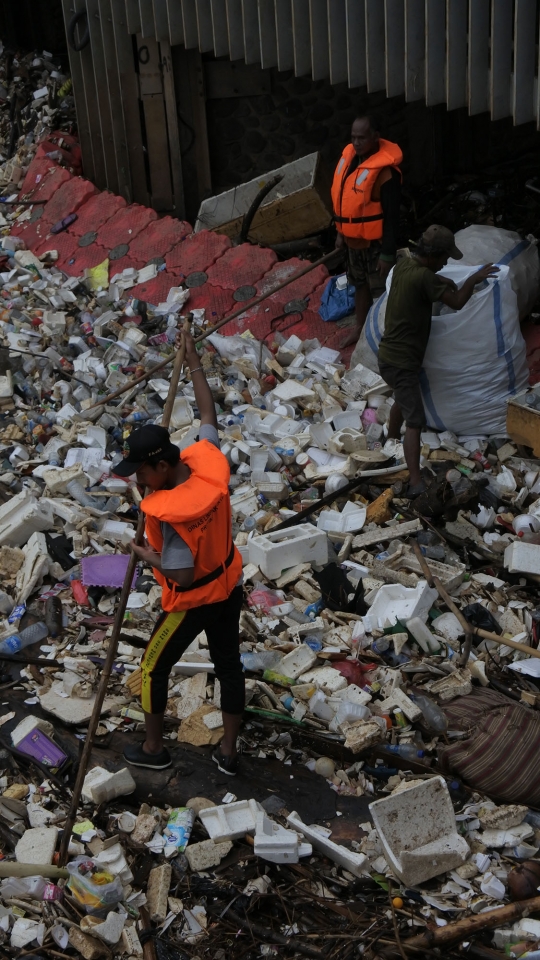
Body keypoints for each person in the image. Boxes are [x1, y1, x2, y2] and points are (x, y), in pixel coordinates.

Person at [113, 331, 244, 774]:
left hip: (196, 599)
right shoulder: (205, 460)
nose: (139, 480)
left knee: (152, 666)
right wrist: (193, 364)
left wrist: (140, 552)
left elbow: (182, 576)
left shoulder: (171, 516)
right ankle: (228, 752)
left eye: (142, 471)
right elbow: (208, 412)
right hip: (230, 583)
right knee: (229, 665)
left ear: (163, 466)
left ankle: (153, 750)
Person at [377, 224, 499, 497]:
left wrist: (442, 281)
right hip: (402, 361)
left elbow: (431, 282)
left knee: (403, 397)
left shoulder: (405, 266)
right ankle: (415, 482)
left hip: (388, 356)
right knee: (416, 421)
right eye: (444, 258)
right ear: (432, 255)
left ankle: (390, 439)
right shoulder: (424, 277)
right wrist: (473, 279)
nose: (446, 263)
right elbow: (456, 302)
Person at [331, 113, 402, 348]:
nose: (356, 142)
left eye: (362, 137)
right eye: (353, 137)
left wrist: (387, 253)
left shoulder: (385, 173)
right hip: (353, 242)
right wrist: (341, 232)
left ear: (376, 137)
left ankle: (387, 336)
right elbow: (345, 201)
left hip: (376, 245)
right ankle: (360, 329)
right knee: (358, 285)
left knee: (382, 291)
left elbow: (392, 217)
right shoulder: (351, 160)